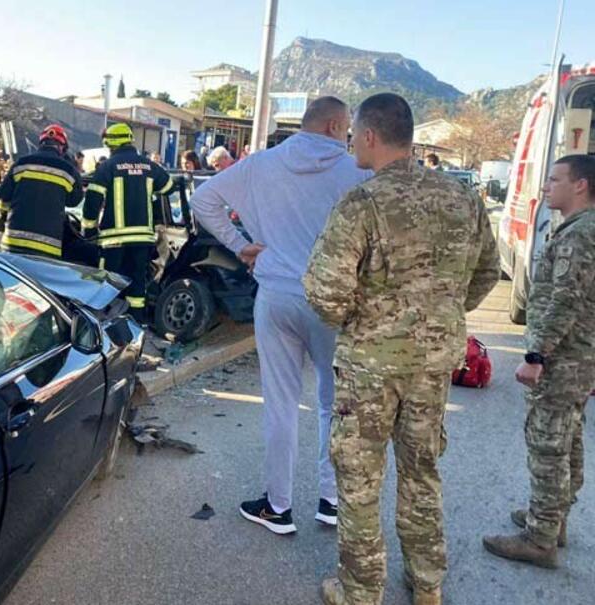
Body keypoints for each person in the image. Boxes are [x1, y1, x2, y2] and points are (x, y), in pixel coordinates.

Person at [303, 93, 499, 605]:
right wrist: (443, 314)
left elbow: (325, 291)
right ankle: (427, 583)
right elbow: (486, 273)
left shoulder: (362, 203)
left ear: (369, 136)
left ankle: (361, 590)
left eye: (353, 137)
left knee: (360, 476)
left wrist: (360, 320)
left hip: (371, 366)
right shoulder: (464, 198)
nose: (351, 145)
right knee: (422, 472)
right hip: (434, 366)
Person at [190, 97, 370, 537]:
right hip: (333, 301)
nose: (347, 135)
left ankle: (278, 505)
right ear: (333, 125)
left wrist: (239, 245)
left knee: (281, 403)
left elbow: (203, 199)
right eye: (345, 128)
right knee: (334, 402)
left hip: (277, 295)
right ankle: (330, 501)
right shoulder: (358, 171)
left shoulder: (261, 164)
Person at [482, 155, 595, 568]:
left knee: (548, 446)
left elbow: (565, 300)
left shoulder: (579, 235)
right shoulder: (582, 230)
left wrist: (535, 355)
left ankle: (540, 537)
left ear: (580, 185)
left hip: (562, 361)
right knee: (568, 440)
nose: (546, 186)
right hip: (579, 359)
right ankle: (554, 519)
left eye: (554, 179)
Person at [81, 123, 174, 321]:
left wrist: (88, 229)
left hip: (113, 240)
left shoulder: (107, 167)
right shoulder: (148, 165)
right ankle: (136, 323)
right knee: (137, 284)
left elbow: (92, 200)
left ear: (110, 144)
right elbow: (168, 186)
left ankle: (106, 323)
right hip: (142, 240)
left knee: (109, 283)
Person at [0, 124, 82, 258]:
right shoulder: (68, 171)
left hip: (13, 241)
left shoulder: (21, 164)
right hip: (48, 247)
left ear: (41, 143)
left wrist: (2, 217)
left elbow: (3, 197)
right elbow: (74, 201)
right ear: (62, 148)